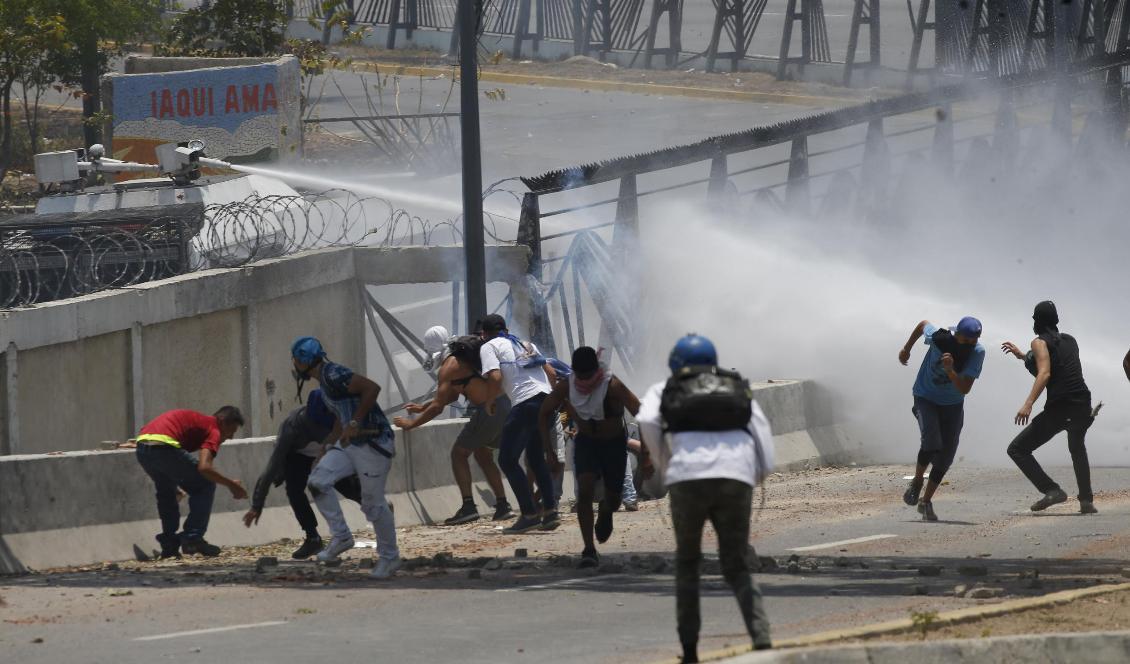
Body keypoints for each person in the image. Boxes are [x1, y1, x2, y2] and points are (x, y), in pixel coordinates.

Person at [637, 334, 775, 662]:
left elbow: (645, 419)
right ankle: (761, 636)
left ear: (676, 363)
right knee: (737, 564)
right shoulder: (736, 386)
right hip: (736, 478)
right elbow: (762, 437)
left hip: (687, 479)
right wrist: (752, 476)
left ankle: (689, 650)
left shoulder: (664, 389)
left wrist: (666, 466)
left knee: (688, 564)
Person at [291, 336, 401, 579]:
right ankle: (341, 537)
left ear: (305, 361)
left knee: (373, 503)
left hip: (373, 443)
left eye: (297, 360)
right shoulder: (325, 383)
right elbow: (341, 417)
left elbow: (371, 388)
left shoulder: (334, 374)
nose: (295, 366)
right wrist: (326, 446)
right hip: (350, 444)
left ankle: (390, 557)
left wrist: (355, 422)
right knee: (318, 481)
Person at [538, 346, 652, 567]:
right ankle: (589, 549)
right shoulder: (567, 386)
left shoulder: (612, 385)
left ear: (595, 370)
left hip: (613, 444)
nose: (584, 380)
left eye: (588, 375)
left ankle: (607, 511)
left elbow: (643, 413)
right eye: (580, 375)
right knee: (585, 491)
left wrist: (646, 455)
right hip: (587, 443)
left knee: (614, 496)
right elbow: (543, 412)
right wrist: (548, 451)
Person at [393, 325, 514, 525]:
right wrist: (423, 407)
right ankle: (502, 506)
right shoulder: (462, 359)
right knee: (482, 453)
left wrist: (410, 424)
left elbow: (438, 407)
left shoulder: (448, 368)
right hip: (504, 405)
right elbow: (454, 392)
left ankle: (468, 507)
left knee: (459, 453)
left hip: (489, 409)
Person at [242, 389, 363, 559]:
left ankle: (375, 507)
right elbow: (271, 468)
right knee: (294, 490)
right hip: (299, 456)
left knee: (346, 485)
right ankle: (312, 538)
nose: (322, 429)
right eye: (318, 425)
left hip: (328, 452)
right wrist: (257, 504)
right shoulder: (291, 428)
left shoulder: (340, 416)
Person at [1002, 301, 1097, 514]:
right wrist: (1023, 356)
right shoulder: (1071, 341)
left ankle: (1052, 490)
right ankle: (1086, 501)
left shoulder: (1038, 343)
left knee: (1017, 449)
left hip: (1061, 408)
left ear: (1037, 322)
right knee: (1077, 447)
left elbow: (1044, 372)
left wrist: (1028, 404)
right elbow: (1056, 365)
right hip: (1083, 404)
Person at [898, 316, 985, 521]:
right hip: (925, 397)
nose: (970, 345)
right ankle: (918, 481)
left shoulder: (978, 353)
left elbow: (965, 388)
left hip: (953, 405)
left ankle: (925, 501)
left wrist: (950, 370)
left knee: (946, 456)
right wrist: (906, 348)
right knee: (931, 442)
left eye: (974, 340)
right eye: (966, 340)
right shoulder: (940, 338)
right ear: (957, 334)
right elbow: (922, 324)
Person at [478, 314, 560, 533]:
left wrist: (489, 401)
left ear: (484, 333)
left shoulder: (488, 347)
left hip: (525, 405)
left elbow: (495, 378)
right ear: (505, 328)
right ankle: (551, 511)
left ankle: (529, 514)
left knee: (507, 460)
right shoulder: (525, 343)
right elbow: (551, 373)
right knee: (535, 458)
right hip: (546, 403)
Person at [134, 406, 247, 558]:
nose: (231, 437)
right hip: (164, 447)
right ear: (222, 422)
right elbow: (205, 468)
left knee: (167, 493)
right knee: (206, 484)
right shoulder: (214, 429)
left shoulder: (199, 422)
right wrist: (232, 485)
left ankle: (169, 545)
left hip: (143, 448)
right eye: (231, 432)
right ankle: (193, 538)